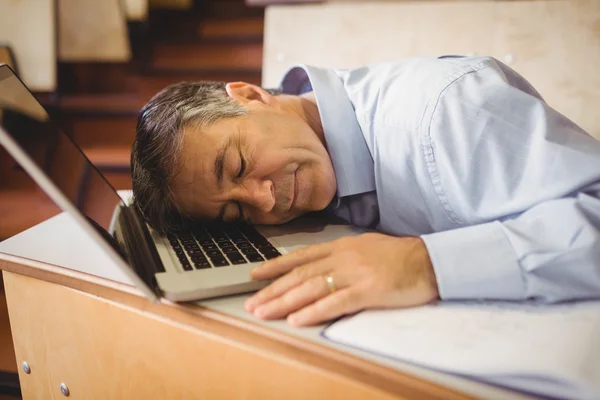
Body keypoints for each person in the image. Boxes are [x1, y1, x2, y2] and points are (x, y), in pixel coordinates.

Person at [131, 55, 600, 327]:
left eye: (237, 165)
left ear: (252, 96)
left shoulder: (446, 115)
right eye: (236, 214)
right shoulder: (312, 145)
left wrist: (425, 265)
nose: (266, 201)